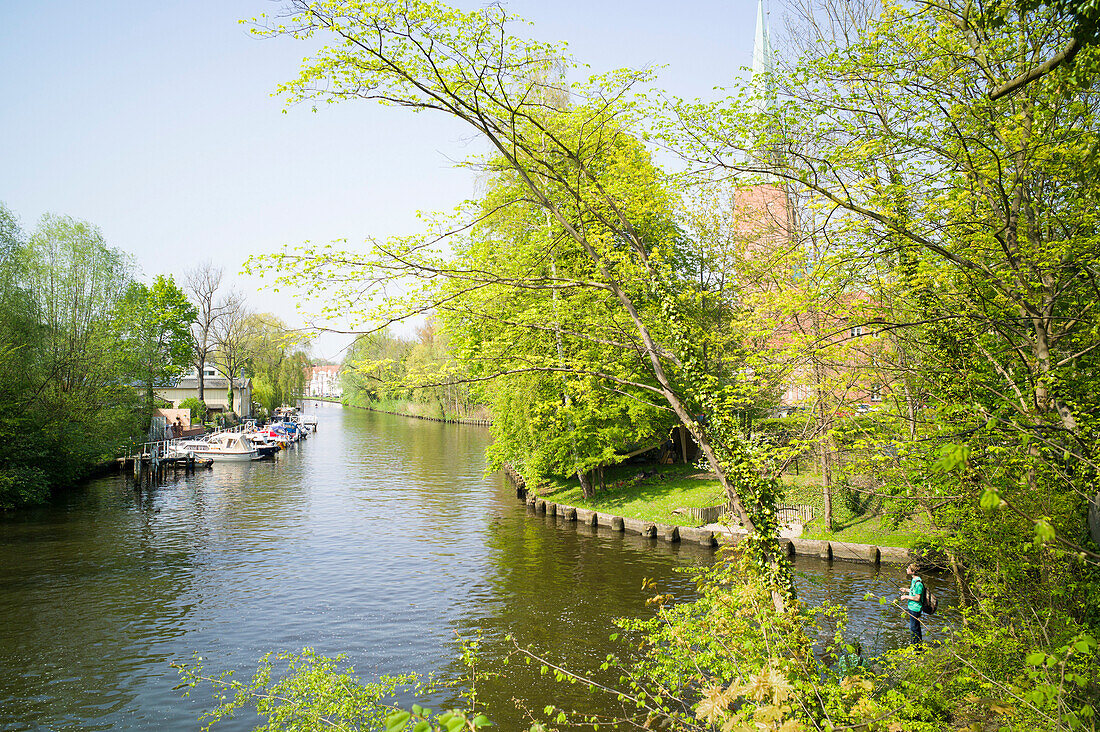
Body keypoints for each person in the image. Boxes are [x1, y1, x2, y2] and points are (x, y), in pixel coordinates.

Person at [899, 562, 924, 645]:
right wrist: (906, 590)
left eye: (908, 569)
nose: (906, 570)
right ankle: (916, 646)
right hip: (912, 607)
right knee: (914, 628)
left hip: (915, 608)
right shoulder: (914, 580)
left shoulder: (918, 583)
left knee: (914, 629)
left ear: (913, 572)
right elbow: (913, 591)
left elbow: (917, 598)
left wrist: (905, 597)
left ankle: (917, 649)